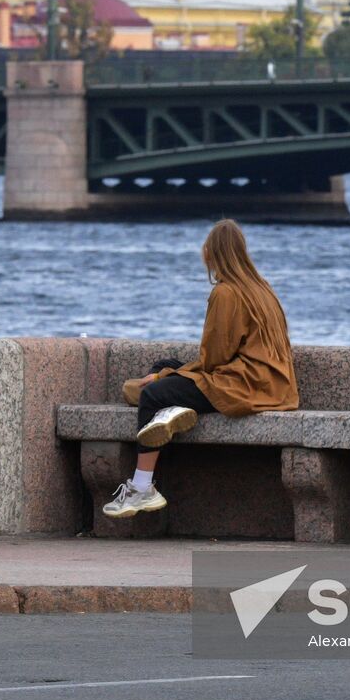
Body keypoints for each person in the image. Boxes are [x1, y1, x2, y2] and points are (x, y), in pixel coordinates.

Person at [104, 219, 299, 518]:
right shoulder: (261, 288)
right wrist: (167, 371)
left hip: (243, 385)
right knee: (165, 366)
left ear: (212, 253)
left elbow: (216, 359)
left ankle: (142, 487)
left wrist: (162, 378)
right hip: (273, 385)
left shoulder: (226, 292)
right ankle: (172, 410)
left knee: (153, 394)